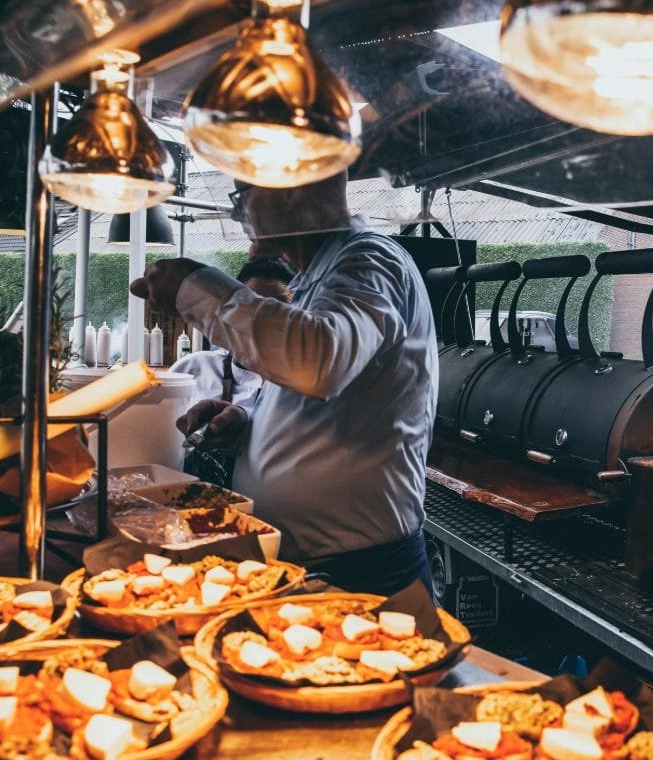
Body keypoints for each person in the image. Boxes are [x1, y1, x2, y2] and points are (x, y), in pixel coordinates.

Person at [130, 172, 438, 596]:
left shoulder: (371, 260)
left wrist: (194, 286)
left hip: (363, 573)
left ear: (290, 191)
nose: (239, 212)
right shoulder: (317, 278)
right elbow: (319, 393)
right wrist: (248, 423)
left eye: (243, 195)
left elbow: (318, 360)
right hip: (314, 564)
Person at [169, 257, 295, 486]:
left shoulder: (303, 389)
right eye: (252, 306)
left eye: (277, 307)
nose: (263, 319)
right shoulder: (192, 368)